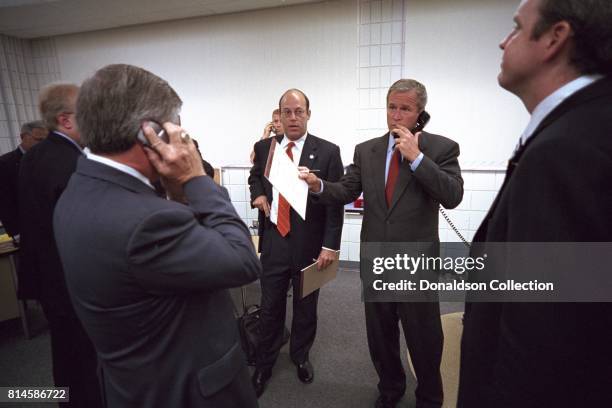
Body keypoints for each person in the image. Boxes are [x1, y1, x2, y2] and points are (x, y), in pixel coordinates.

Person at [53, 64, 261, 408]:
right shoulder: (147, 221)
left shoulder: (79, 190)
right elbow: (241, 260)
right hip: (186, 391)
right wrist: (197, 179)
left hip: (132, 382)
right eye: (174, 124)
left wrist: (178, 195)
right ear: (149, 132)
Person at [458, 1, 612, 407]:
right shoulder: (585, 124)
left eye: (515, 28)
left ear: (554, 38)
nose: (502, 40)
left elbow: (543, 334)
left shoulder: (566, 149)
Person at [300, 79, 463, 408]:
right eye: (392, 107)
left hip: (416, 263)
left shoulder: (442, 148)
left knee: (424, 338)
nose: (397, 115)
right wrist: (318, 185)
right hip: (375, 259)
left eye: (405, 109)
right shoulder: (367, 150)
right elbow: (346, 190)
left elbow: (453, 195)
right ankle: (390, 389)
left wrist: (417, 158)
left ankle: (429, 398)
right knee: (381, 336)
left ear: (419, 113)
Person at [248, 89, 344, 397]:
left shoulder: (328, 152)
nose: (292, 117)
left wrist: (330, 245)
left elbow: (335, 202)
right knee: (269, 305)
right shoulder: (265, 148)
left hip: (310, 245)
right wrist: (258, 194)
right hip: (276, 240)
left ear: (308, 114)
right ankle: (264, 364)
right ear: (279, 115)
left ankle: (300, 356)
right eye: (286, 112)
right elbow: (255, 177)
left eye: (298, 111)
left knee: (306, 306)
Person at [17, 84, 102, 407]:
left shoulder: (34, 156)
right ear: (66, 120)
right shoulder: (71, 164)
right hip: (73, 281)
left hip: (49, 279)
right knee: (85, 361)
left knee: (64, 356)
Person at [0, 120, 47, 239]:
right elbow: (4, 201)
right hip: (25, 229)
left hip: (50, 225)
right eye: (38, 139)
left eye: (45, 140)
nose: (42, 144)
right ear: (23, 137)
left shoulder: (49, 160)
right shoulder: (5, 163)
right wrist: (16, 233)